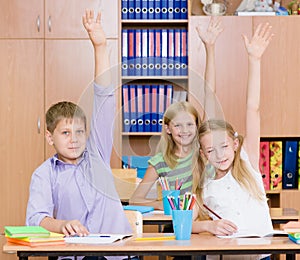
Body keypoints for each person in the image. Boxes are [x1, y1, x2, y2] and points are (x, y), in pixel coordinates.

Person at [26, 10, 132, 260]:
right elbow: (35, 219)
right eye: (65, 132)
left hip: (117, 255)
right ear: (50, 137)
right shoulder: (45, 174)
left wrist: (100, 46)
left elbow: (104, 97)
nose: (73, 138)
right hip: (75, 256)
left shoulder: (97, 153)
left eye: (79, 132)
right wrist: (61, 225)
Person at [191, 23, 274, 260]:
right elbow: (186, 224)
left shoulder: (248, 162)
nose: (219, 154)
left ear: (235, 144)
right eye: (210, 150)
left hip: (260, 255)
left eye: (224, 146)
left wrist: (254, 59)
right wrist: (209, 226)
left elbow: (253, 108)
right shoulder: (203, 181)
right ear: (203, 154)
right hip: (224, 256)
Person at [129, 18, 224, 210]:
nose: (185, 130)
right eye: (178, 125)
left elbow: (209, 93)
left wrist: (210, 48)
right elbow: (135, 199)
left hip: (210, 218)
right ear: (168, 129)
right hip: (179, 221)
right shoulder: (160, 161)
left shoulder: (203, 150)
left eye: (190, 124)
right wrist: (165, 204)